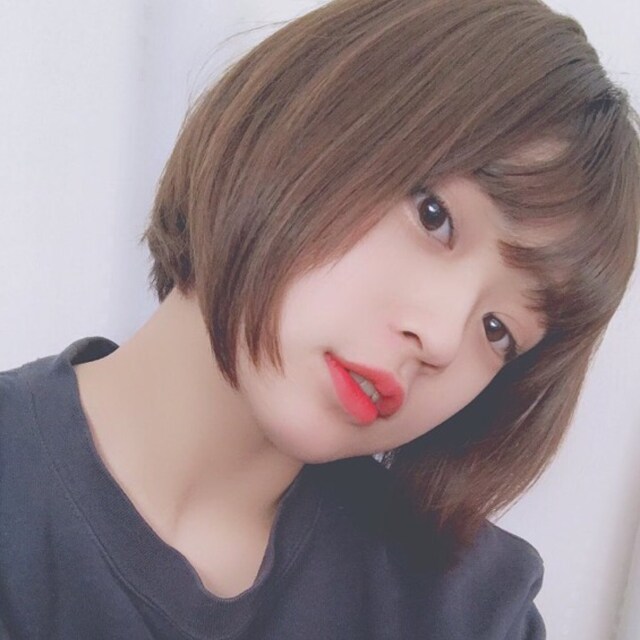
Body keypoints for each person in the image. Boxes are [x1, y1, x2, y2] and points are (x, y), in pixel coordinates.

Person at [1, 0, 639, 638]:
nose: (442, 338)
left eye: (498, 331)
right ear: (307, 114)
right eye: (435, 217)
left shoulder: (468, 610)